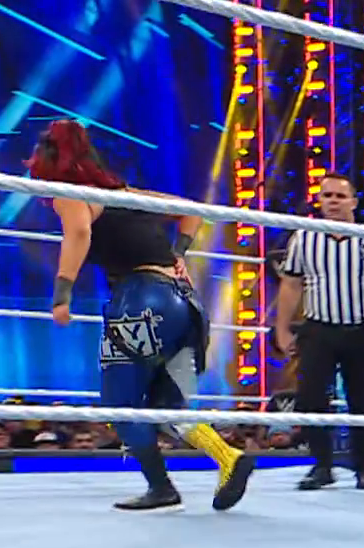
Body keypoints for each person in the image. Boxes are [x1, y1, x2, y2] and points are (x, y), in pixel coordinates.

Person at [27, 119, 254, 512]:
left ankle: (161, 487)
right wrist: (179, 254)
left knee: (119, 404)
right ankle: (228, 457)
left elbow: (78, 233)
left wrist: (61, 296)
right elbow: (191, 211)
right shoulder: (125, 194)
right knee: (166, 405)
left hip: (142, 303)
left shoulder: (70, 191)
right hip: (185, 306)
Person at [273, 173, 364, 491]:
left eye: (340, 196)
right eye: (327, 196)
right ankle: (322, 466)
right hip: (318, 330)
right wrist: (282, 329)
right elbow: (291, 285)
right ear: (319, 201)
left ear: (353, 201)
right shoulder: (304, 238)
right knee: (310, 398)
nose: (333, 202)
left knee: (361, 401)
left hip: (362, 330)